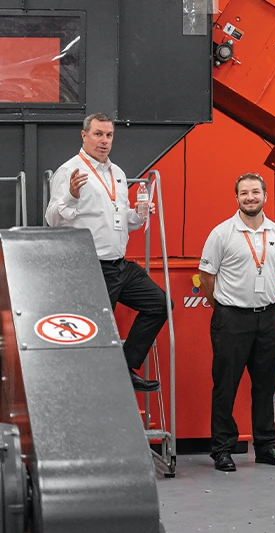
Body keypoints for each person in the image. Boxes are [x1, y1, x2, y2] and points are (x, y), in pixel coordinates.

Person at [46, 112, 166, 393]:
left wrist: (137, 215)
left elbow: (121, 219)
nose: (104, 141)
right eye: (98, 134)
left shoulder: (118, 174)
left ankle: (124, 368)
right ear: (84, 135)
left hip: (120, 266)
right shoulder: (69, 171)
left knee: (159, 304)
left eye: (109, 135)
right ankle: (87, 392)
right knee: (92, 334)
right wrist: (73, 196)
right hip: (88, 267)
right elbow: (52, 218)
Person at [198, 173, 275, 472]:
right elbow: (206, 278)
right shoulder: (221, 233)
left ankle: (265, 446)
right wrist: (225, 307)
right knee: (226, 386)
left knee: (266, 387)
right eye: (244, 193)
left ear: (265, 196)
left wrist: (262, 299)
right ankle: (223, 450)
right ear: (236, 198)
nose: (250, 197)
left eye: (255, 192)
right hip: (231, 319)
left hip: (268, 318)